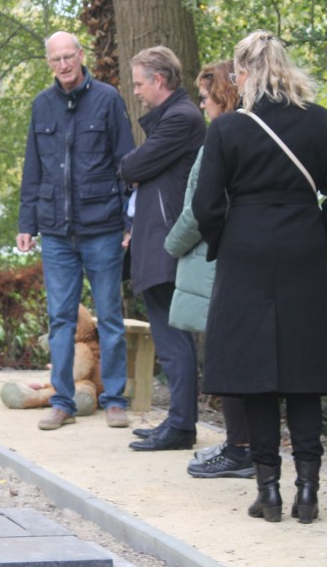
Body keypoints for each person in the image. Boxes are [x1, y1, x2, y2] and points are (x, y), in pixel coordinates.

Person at [192, 30, 327, 523]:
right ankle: (309, 492)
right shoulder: (322, 123)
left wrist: (225, 241)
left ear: (244, 74)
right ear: (285, 68)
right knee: (305, 375)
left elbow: (205, 205)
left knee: (255, 376)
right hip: (302, 254)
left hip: (245, 255)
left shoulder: (226, 131)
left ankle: (269, 494)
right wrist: (318, 237)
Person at [17, 31, 135, 431]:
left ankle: (115, 399)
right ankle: (62, 401)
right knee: (60, 320)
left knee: (111, 317)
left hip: (102, 227)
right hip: (55, 232)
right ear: (48, 63)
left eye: (69, 57)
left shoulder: (107, 99)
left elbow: (126, 164)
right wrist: (26, 223)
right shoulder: (42, 106)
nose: (64, 65)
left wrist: (129, 221)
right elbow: (33, 168)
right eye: (56, 59)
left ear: (81, 56)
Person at [162, 60, 254, 478]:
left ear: (224, 96)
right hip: (231, 260)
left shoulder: (222, 140)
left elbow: (201, 208)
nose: (201, 106)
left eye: (205, 98)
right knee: (233, 357)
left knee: (225, 359)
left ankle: (240, 449)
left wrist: (170, 245)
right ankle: (243, 444)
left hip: (213, 262)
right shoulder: (250, 137)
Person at [119, 46, 206, 452]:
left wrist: (132, 169)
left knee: (173, 340)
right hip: (156, 239)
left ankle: (182, 426)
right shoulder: (173, 119)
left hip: (166, 243)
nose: (135, 91)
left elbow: (132, 168)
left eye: (138, 83)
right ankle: (176, 421)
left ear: (158, 80)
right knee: (169, 338)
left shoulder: (181, 119)